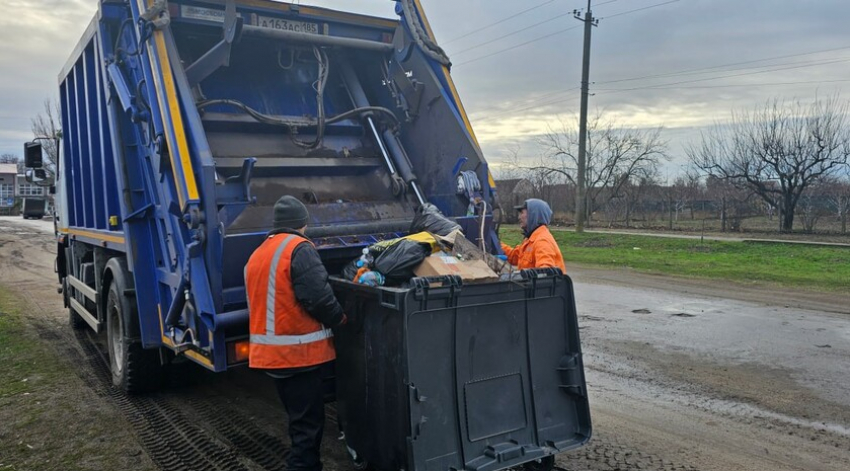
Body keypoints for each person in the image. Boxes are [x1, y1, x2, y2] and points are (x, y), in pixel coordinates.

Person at [244, 195, 346, 471]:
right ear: (302, 223)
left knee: (299, 422)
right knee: (307, 430)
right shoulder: (299, 248)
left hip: (273, 357)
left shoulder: (259, 253)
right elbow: (318, 297)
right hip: (297, 357)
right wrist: (341, 319)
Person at [500, 198, 566, 273]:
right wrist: (496, 243)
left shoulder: (542, 241)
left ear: (533, 215)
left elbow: (546, 275)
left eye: (522, 213)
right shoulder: (530, 240)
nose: (519, 217)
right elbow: (513, 256)